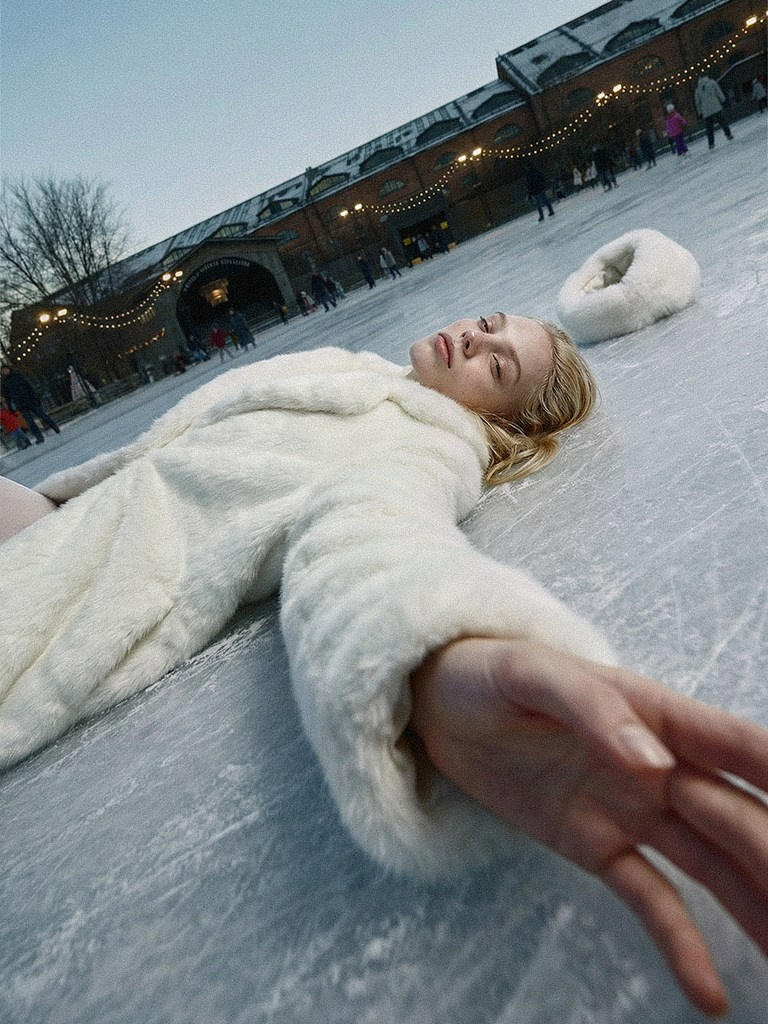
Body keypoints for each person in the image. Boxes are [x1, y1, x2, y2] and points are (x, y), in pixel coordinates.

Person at [1, 315, 766, 1020]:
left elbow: (370, 537)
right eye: (489, 325)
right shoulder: (358, 371)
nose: (475, 340)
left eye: (498, 367)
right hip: (58, 521)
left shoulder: (429, 443)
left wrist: (433, 653)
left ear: (501, 420)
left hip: (66, 600)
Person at [0, 365, 60, 445]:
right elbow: (7, 396)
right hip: (20, 404)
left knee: (42, 415)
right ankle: (39, 437)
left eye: (5, 370)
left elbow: (28, 386)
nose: (5, 371)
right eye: (3, 371)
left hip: (30, 400)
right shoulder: (5, 383)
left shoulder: (18, 376)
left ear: (9, 369)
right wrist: (10, 407)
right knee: (30, 422)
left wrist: (35, 397)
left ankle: (54, 427)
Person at [694, 73, 734, 148]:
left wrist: (700, 112)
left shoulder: (698, 89)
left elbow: (697, 102)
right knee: (722, 122)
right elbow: (718, 91)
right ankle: (728, 134)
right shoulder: (712, 82)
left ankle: (711, 143)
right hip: (716, 107)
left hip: (706, 111)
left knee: (709, 128)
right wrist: (723, 100)